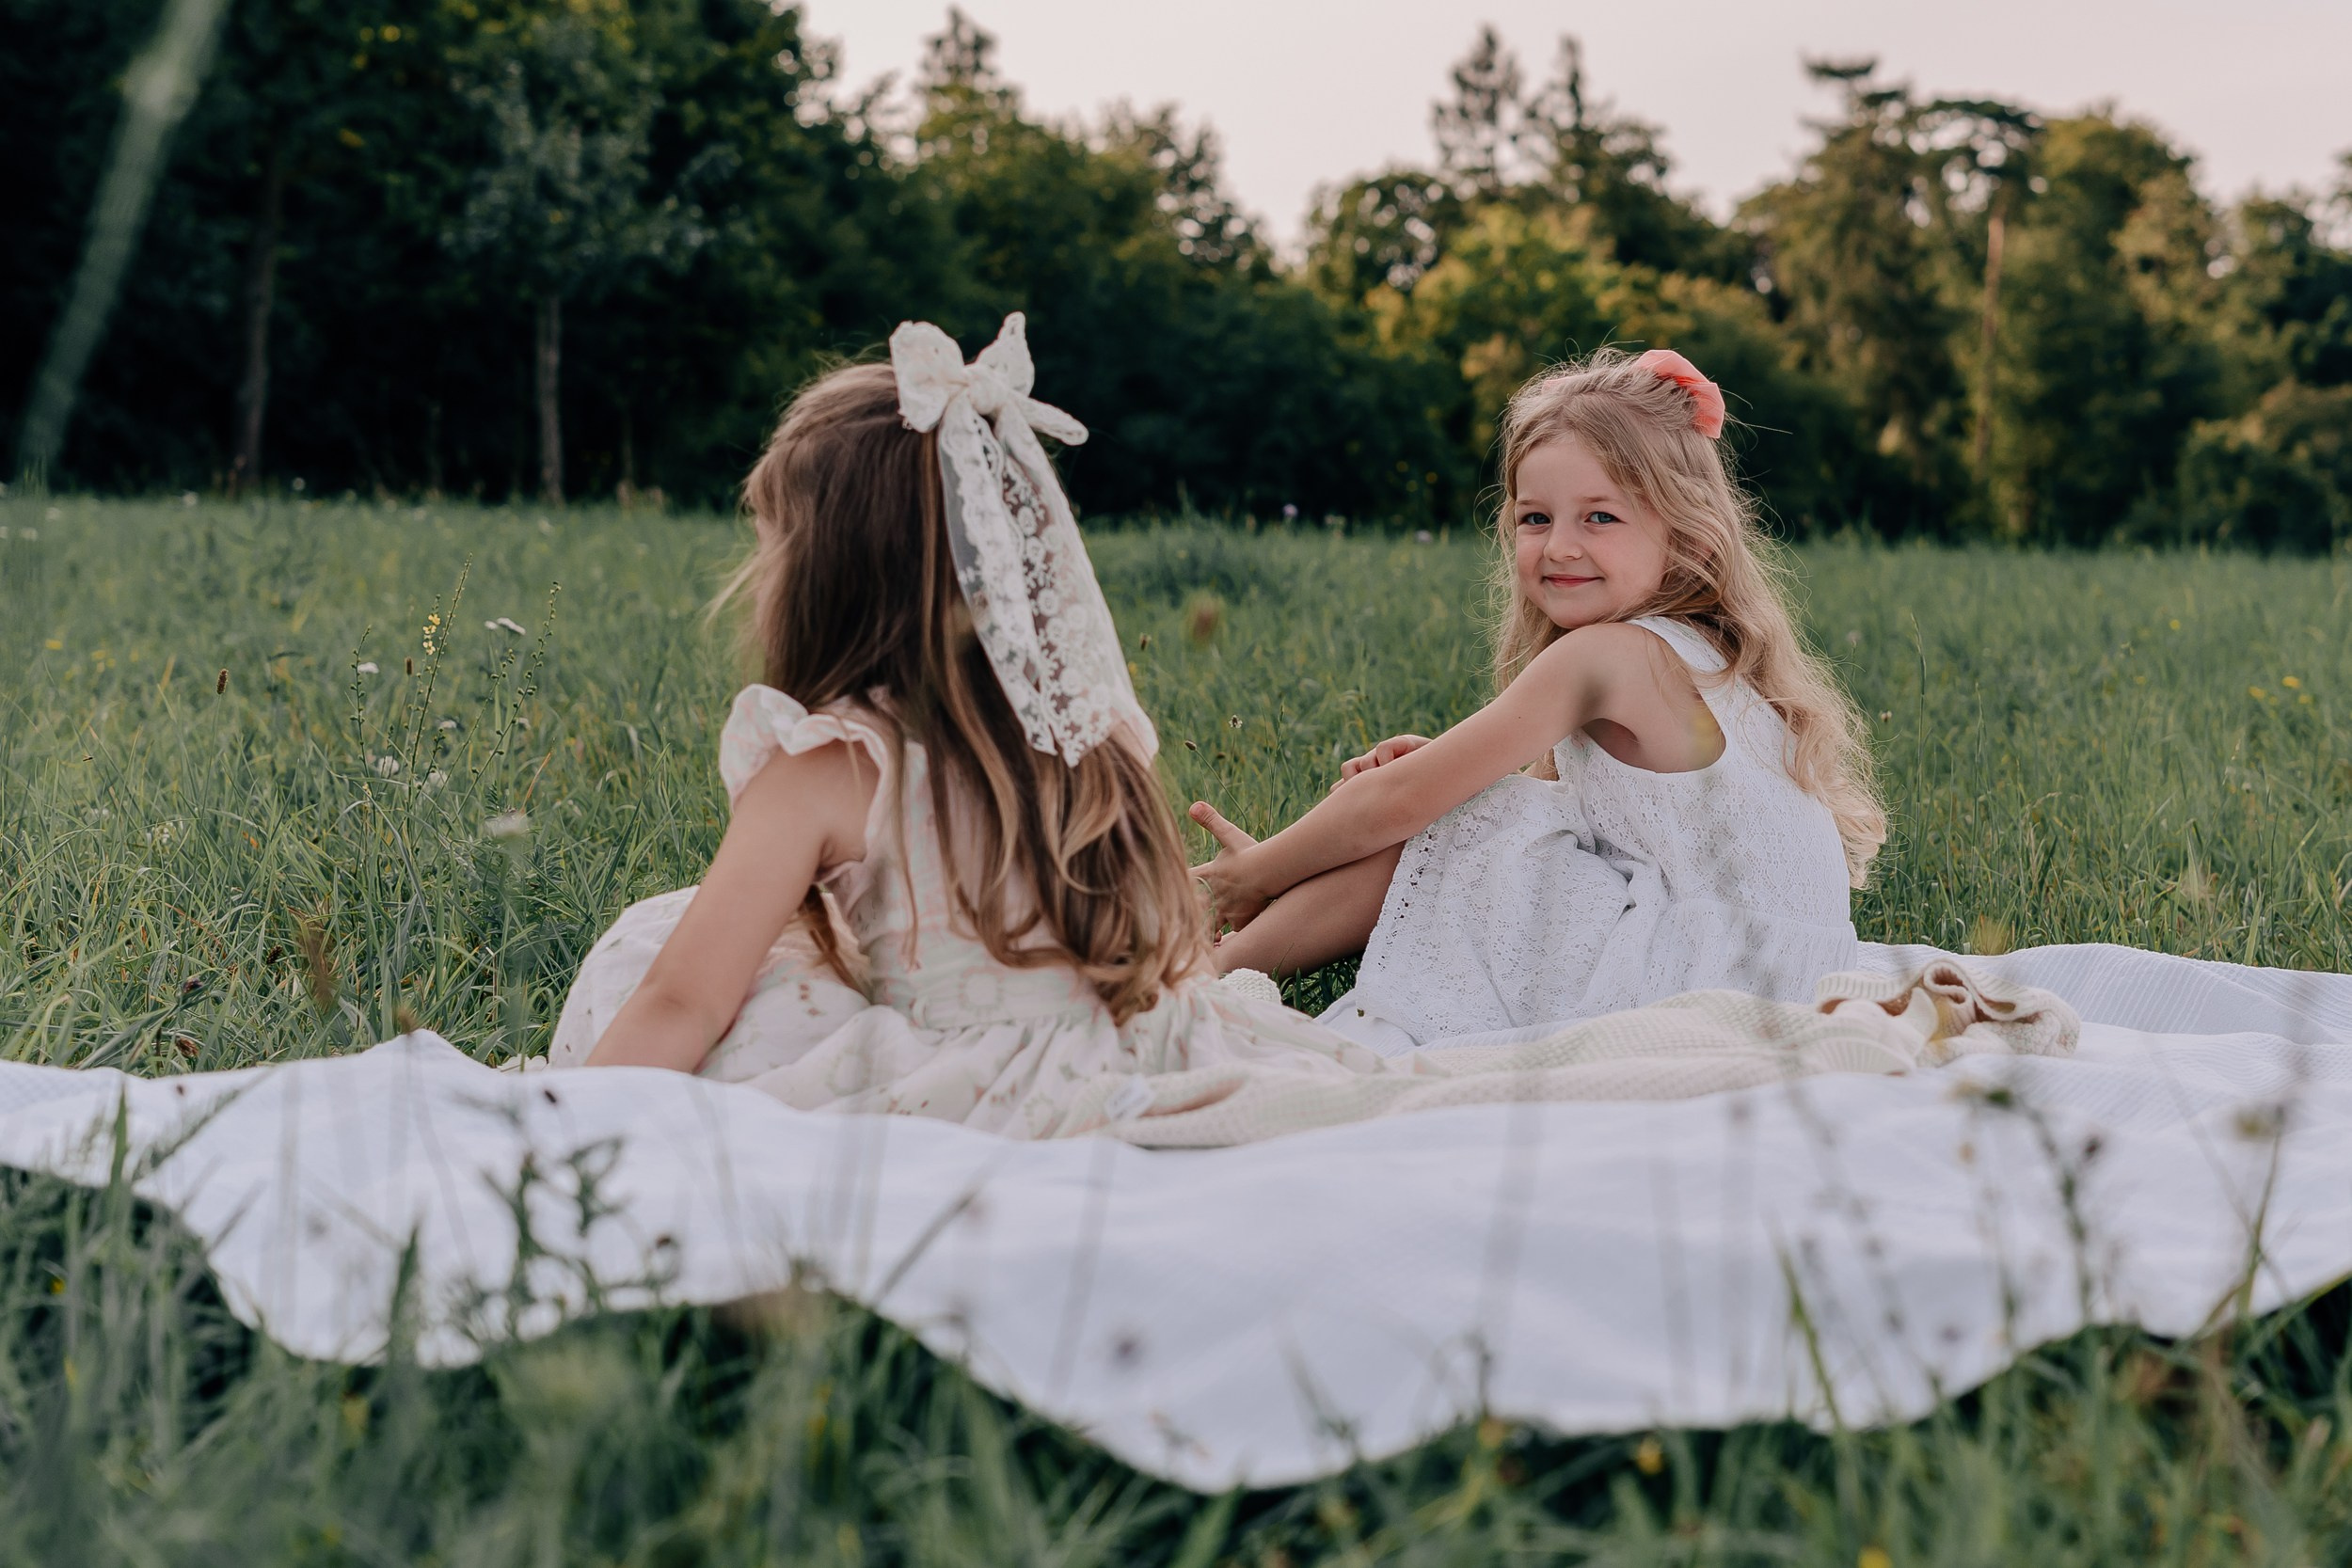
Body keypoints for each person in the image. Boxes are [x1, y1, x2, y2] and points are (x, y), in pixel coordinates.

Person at [549, 315, 1380, 1136]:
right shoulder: (1085, 738)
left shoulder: (829, 761)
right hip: (1126, 1052)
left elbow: (685, 998)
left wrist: (559, 1140)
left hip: (955, 1087)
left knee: (641, 956)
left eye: (772, 550)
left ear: (829, 577)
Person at [1190, 348, 1885, 1053]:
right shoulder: (1706, 652)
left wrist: (1255, 873)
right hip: (1783, 979)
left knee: (1444, 815)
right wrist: (1458, 776)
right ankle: (1229, 951)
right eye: (1535, 518)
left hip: (1693, 983)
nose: (1560, 546)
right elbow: (1575, 820)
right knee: (1467, 812)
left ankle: (1202, 969)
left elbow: (1398, 803)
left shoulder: (1608, 656)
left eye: (1600, 518)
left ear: (1683, 533)